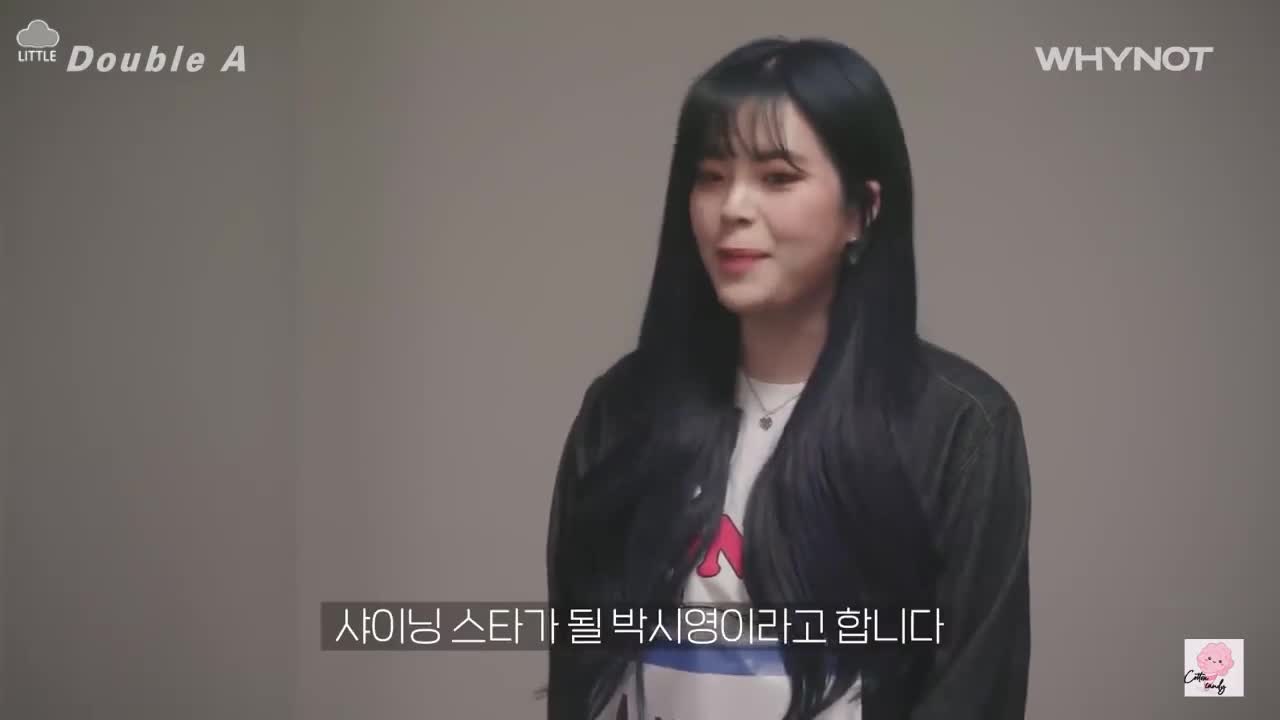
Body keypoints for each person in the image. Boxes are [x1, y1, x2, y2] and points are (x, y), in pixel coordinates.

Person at [541, 35, 1031, 720]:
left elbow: (972, 692)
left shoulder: (958, 428)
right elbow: (578, 666)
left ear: (862, 211)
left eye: (777, 178)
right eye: (711, 175)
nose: (732, 208)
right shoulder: (623, 410)